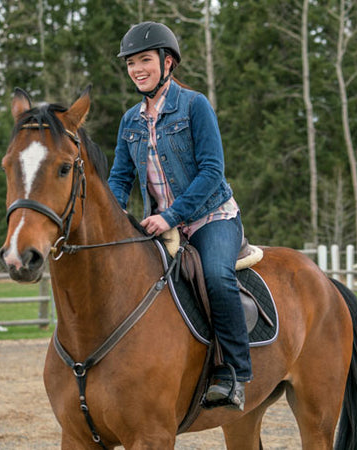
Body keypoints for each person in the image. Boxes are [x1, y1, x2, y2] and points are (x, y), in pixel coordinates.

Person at [107, 21, 252, 410]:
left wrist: (170, 216)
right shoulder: (129, 121)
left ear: (167, 62)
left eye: (144, 60)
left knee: (216, 277)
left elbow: (211, 172)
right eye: (131, 63)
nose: (137, 69)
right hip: (159, 226)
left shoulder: (195, 105)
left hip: (210, 218)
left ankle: (235, 372)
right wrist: (111, 212)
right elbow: (120, 177)